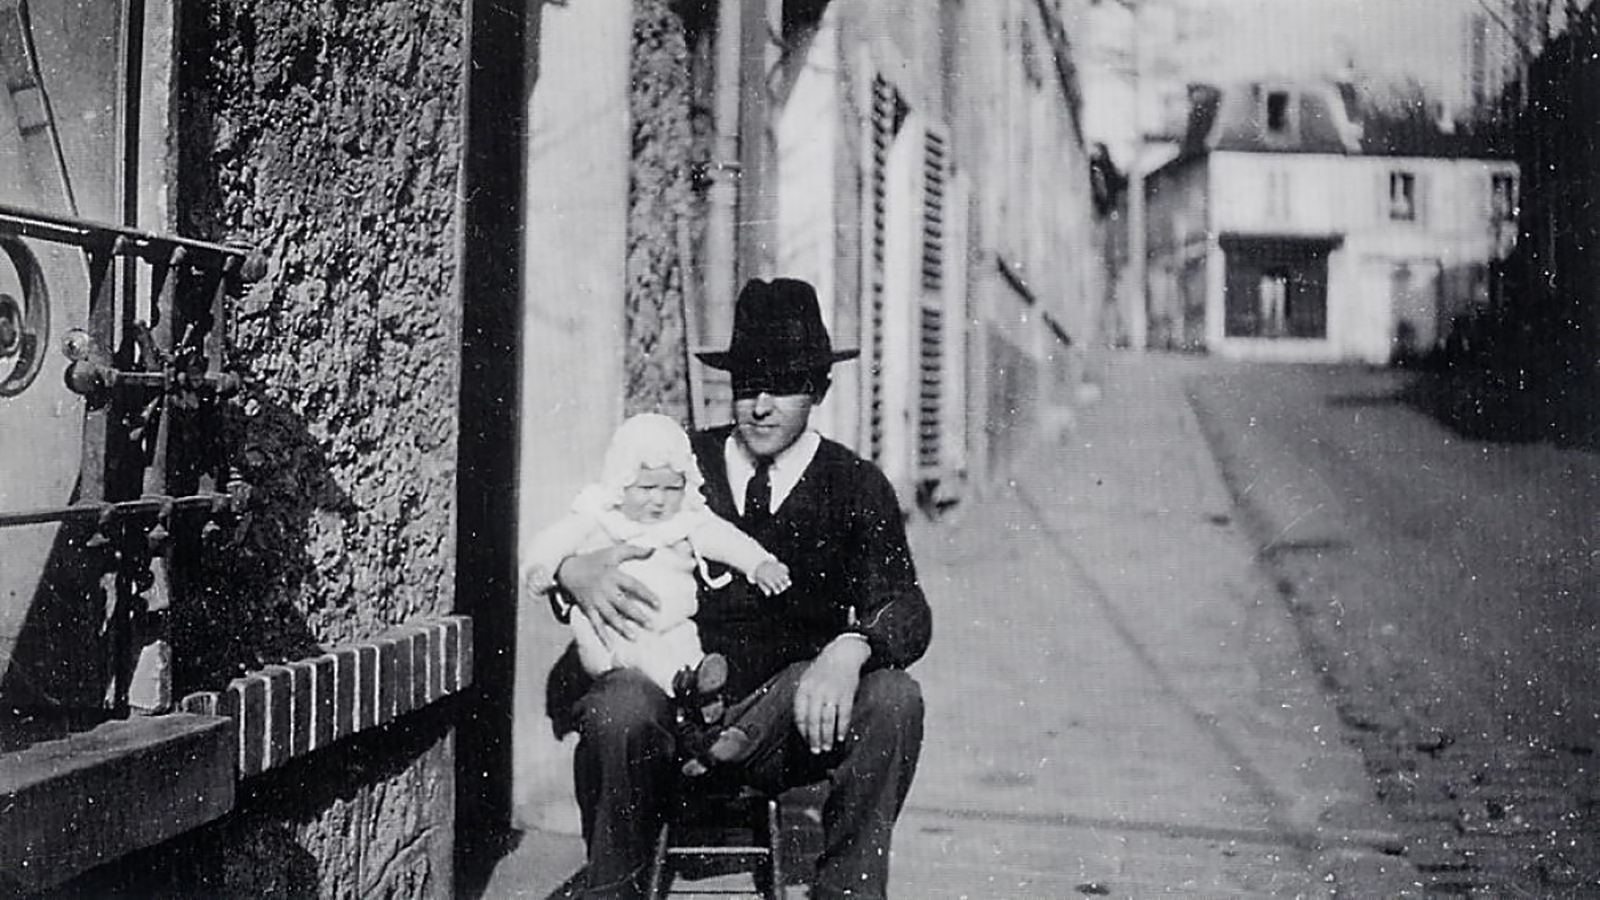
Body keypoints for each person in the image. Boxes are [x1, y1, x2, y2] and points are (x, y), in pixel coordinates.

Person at [540, 277, 932, 900]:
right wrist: (570, 572)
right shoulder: (680, 464)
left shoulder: (855, 485)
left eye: (783, 384)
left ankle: (846, 893)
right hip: (670, 708)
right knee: (617, 707)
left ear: (819, 389)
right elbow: (592, 522)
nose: (761, 405)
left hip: (789, 723)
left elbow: (905, 607)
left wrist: (851, 647)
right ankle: (612, 889)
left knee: (894, 699)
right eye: (748, 384)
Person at [522, 412, 793, 768]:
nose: (660, 500)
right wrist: (543, 568)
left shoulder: (686, 518)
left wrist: (760, 564)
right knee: (647, 656)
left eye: (672, 488)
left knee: (693, 661)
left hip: (675, 628)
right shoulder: (600, 515)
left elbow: (726, 538)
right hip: (615, 629)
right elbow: (553, 541)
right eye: (647, 489)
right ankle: (688, 687)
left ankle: (704, 741)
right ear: (621, 483)